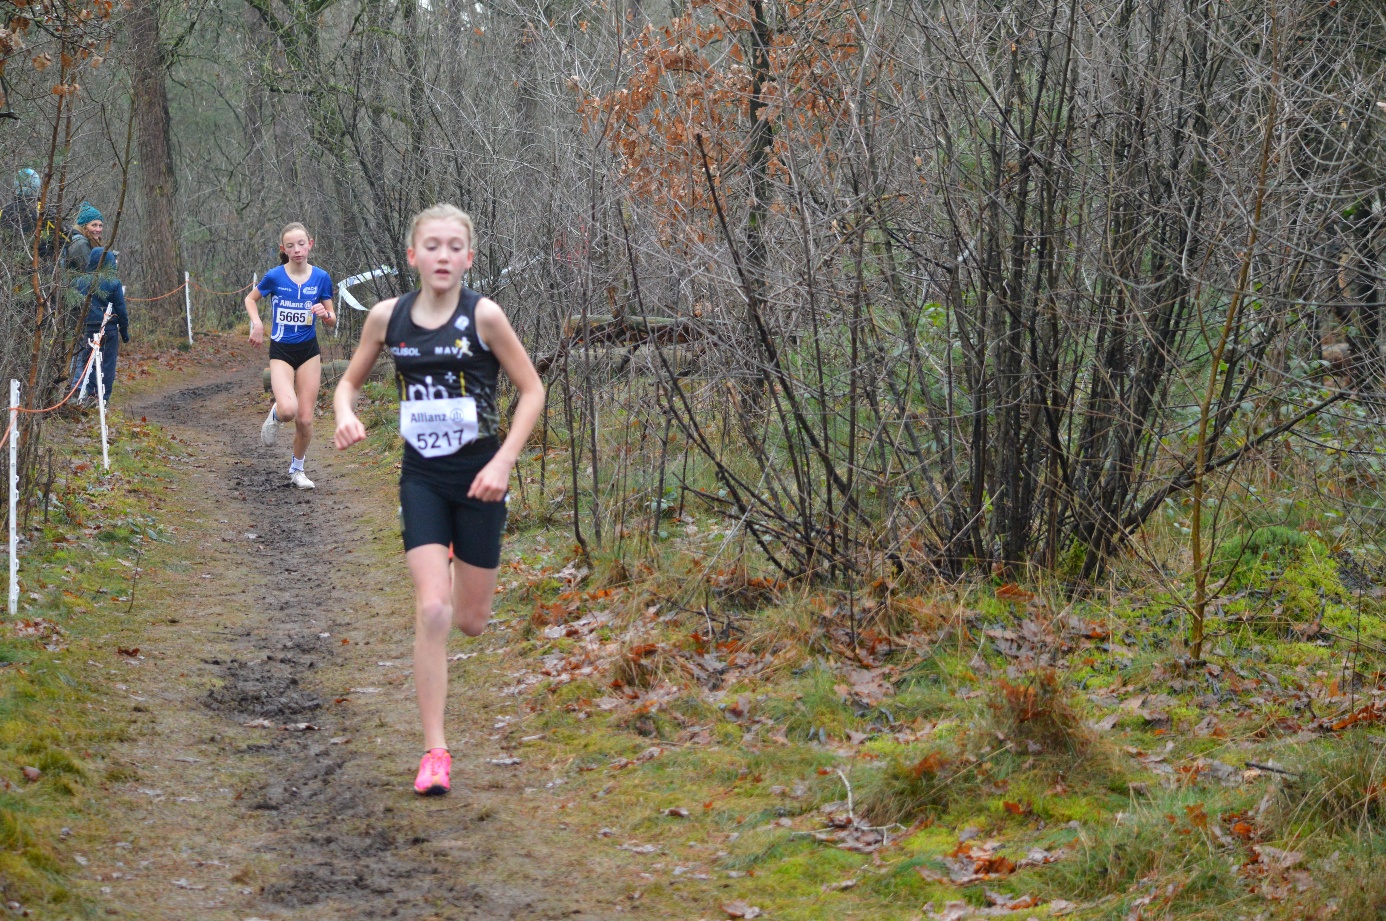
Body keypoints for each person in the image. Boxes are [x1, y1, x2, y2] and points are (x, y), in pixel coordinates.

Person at [333, 205, 543, 796]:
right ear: (413, 256)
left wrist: (504, 462)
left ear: (469, 259)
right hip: (421, 477)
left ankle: (454, 582)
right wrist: (346, 412)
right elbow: (347, 382)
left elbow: (532, 389)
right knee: (432, 611)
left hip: (481, 477)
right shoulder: (386, 317)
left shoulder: (486, 317)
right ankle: (435, 752)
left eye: (455, 247)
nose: (444, 256)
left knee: (470, 622)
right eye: (433, 246)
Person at [243, 222, 336, 489]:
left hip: (308, 351)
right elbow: (251, 299)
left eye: (301, 244)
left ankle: (297, 470)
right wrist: (257, 324)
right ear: (283, 249)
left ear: (311, 244)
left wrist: (325, 314)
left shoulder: (321, 277)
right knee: (288, 410)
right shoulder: (274, 276)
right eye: (291, 245)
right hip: (281, 350)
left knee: (305, 418)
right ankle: (275, 414)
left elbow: (332, 319)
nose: (297, 250)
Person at [69, 246, 130, 405]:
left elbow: (74, 307)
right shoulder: (114, 283)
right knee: (107, 364)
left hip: (87, 327)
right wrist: (124, 332)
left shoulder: (80, 282)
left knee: (87, 361)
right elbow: (121, 311)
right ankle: (103, 398)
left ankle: (89, 395)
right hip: (108, 328)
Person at [63, 201, 103, 273]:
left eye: (100, 225)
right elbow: (90, 273)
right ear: (84, 226)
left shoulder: (88, 240)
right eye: (94, 225)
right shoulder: (80, 243)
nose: (98, 229)